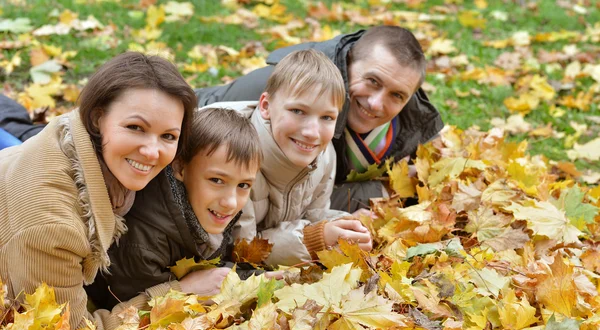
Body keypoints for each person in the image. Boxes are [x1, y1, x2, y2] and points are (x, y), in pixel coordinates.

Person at [0, 52, 197, 330]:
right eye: (135, 128)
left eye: (168, 136)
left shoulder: (74, 138)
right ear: (97, 118)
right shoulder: (53, 228)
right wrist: (181, 293)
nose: (153, 151)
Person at [196, 26, 443, 212]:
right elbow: (282, 204)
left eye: (397, 95)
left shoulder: (412, 127)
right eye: (372, 81)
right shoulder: (282, 92)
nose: (376, 103)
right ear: (347, 64)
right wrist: (386, 190)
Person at [88, 107, 269, 310]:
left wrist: (257, 280)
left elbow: (214, 274)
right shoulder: (145, 243)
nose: (231, 202)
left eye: (243, 185)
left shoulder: (205, 212)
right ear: (180, 168)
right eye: (217, 180)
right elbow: (135, 318)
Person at [210, 49, 373, 267]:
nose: (312, 132)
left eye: (327, 117)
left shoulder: (324, 154)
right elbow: (241, 252)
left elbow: (314, 216)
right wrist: (314, 239)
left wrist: (342, 227)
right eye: (298, 111)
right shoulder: (236, 154)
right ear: (266, 106)